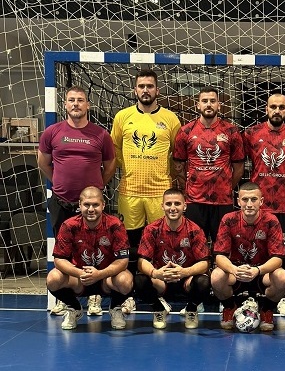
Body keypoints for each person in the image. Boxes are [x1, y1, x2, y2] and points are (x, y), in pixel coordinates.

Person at [38, 86, 116, 316]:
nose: (76, 104)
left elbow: (110, 165)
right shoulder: (52, 132)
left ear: (87, 105)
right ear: (65, 104)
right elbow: (43, 163)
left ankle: (94, 297)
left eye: (80, 100)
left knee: (97, 248)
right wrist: (59, 182)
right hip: (61, 201)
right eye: (71, 100)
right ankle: (67, 296)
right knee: (65, 252)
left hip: (91, 207)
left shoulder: (101, 134)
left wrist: (95, 190)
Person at [111, 69, 181, 314]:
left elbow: (177, 154)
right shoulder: (123, 117)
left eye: (150, 86)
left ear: (157, 90)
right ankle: (129, 294)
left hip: (160, 192)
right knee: (129, 245)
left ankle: (159, 293)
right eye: (141, 86)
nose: (145, 90)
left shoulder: (171, 119)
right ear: (135, 90)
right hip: (130, 191)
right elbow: (115, 151)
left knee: (160, 245)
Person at [242, 93, 285, 315]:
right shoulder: (251, 134)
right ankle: (249, 295)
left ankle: (282, 297)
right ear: (266, 109)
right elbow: (238, 161)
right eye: (273, 107)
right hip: (257, 206)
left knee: (284, 253)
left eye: (281, 107)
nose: (277, 110)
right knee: (253, 249)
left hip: (284, 206)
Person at [46, 186, 133, 330]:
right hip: (79, 278)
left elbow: (123, 261)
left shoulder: (115, 225)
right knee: (53, 279)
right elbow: (59, 260)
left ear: (103, 205)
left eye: (95, 205)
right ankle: (74, 308)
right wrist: (80, 273)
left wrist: (100, 274)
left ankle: (115, 308)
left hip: (106, 278)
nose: (91, 209)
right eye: (87, 205)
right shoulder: (69, 225)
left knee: (125, 281)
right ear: (80, 205)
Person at [211, 182, 285, 332]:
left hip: (261, 272)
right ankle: (229, 307)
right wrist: (233, 269)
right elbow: (219, 256)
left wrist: (258, 270)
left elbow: (278, 258)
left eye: (254, 199)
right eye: (245, 200)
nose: (249, 204)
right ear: (238, 201)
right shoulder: (228, 219)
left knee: (282, 276)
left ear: (261, 201)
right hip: (236, 272)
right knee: (216, 276)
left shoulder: (271, 221)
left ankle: (267, 310)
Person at [173, 86, 244, 244]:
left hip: (222, 201)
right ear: (198, 105)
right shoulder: (185, 131)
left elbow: (239, 168)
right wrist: (189, 187)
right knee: (195, 246)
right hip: (195, 201)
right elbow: (178, 165)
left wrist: (227, 187)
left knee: (223, 247)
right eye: (204, 101)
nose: (209, 104)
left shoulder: (231, 131)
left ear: (219, 105)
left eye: (212, 101)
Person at [135, 188, 210, 329]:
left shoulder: (195, 230)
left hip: (186, 279)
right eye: (168, 204)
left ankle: (191, 309)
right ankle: (158, 309)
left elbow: (205, 263)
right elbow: (141, 261)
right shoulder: (152, 229)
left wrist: (185, 272)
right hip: (161, 279)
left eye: (177, 203)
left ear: (185, 206)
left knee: (204, 282)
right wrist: (155, 273)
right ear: (162, 206)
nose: (173, 208)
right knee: (139, 280)